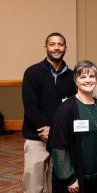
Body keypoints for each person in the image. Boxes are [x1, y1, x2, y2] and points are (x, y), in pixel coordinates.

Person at [22, 32, 76, 193]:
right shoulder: (32, 73)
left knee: (57, 185)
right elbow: (31, 107)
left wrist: (55, 132)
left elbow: (72, 109)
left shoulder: (73, 76)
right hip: (36, 138)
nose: (56, 47)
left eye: (60, 44)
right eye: (52, 44)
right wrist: (47, 129)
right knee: (32, 186)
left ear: (65, 48)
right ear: (45, 47)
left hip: (60, 140)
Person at [48, 60, 97, 193]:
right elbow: (58, 147)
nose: (88, 80)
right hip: (76, 179)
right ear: (76, 81)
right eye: (83, 77)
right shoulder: (66, 109)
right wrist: (69, 178)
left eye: (92, 76)